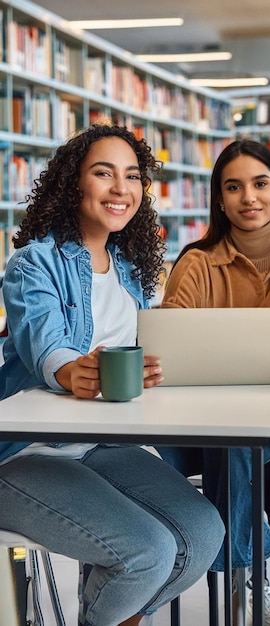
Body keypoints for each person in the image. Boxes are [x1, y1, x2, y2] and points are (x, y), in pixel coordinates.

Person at [0, 124, 225, 626]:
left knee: (203, 532)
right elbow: (47, 347)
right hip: (25, 451)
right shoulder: (32, 263)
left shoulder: (129, 267)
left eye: (132, 176)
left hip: (101, 444)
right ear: (72, 183)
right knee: (145, 553)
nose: (121, 188)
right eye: (104, 173)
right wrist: (71, 372)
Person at [158, 139, 270, 626]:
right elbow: (168, 339)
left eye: (260, 183)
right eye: (233, 187)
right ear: (220, 199)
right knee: (233, 443)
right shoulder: (196, 262)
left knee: (237, 448)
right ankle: (246, 587)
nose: (248, 197)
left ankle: (237, 588)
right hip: (207, 420)